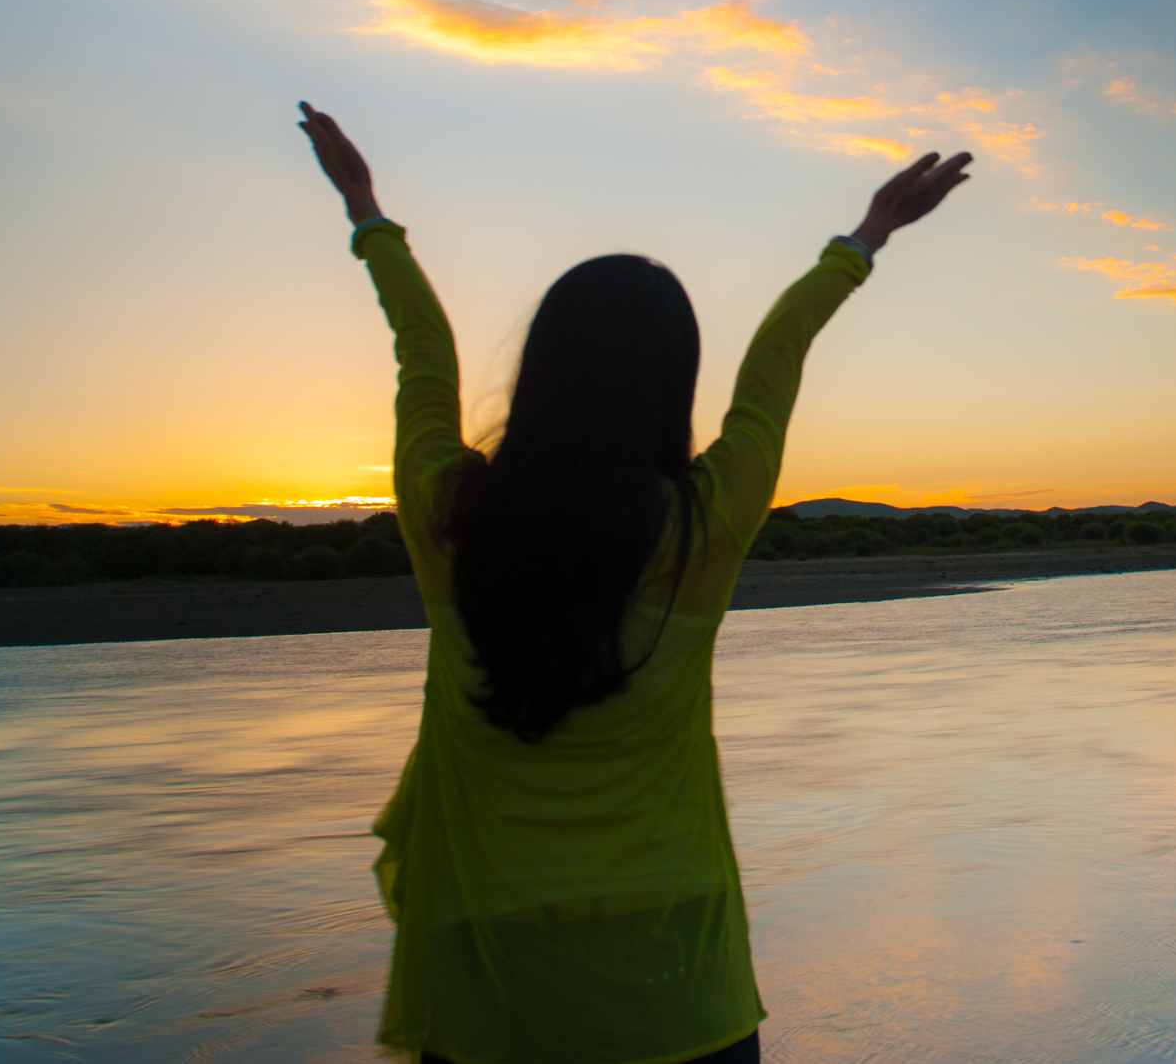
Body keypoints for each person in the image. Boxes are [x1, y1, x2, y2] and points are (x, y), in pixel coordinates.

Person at [298, 102, 973, 1064]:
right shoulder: (705, 522)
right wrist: (866, 236)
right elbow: (777, 358)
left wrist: (367, 211)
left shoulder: (451, 517)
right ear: (672, 385)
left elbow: (423, 356)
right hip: (677, 986)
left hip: (489, 990)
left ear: (541, 369)